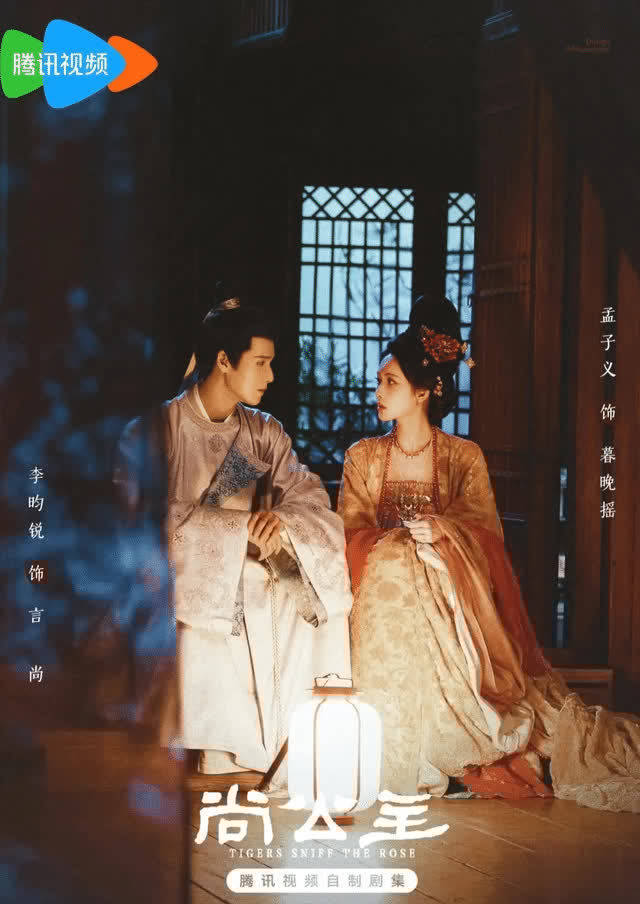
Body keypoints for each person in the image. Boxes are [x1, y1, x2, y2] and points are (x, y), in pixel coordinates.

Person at [338, 293, 640, 812]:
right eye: (380, 381)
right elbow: (350, 531)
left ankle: (457, 732)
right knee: (394, 565)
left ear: (424, 391)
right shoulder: (362, 457)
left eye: (390, 382)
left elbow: (484, 535)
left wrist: (441, 534)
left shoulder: (463, 457)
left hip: (452, 601)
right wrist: (400, 547)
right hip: (384, 599)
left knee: (426, 569)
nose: (378, 392)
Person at [115, 298, 352, 785]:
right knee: (228, 593)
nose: (271, 376)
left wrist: (279, 524)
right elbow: (136, 517)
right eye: (261, 362)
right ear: (224, 359)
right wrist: (237, 532)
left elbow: (309, 497)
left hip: (257, 568)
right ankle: (220, 745)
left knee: (315, 594)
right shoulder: (154, 431)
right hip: (181, 577)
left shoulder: (264, 434)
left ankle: (291, 743)